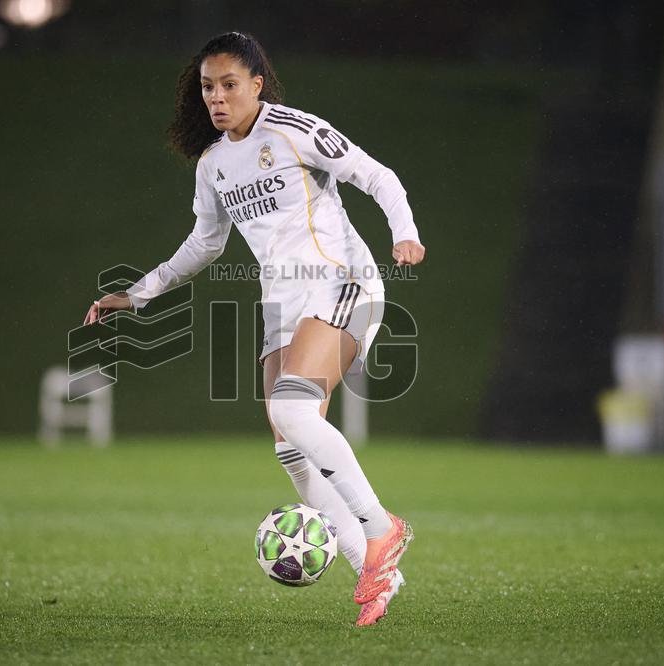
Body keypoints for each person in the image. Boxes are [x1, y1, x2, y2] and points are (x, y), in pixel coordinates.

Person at [83, 32, 426, 626]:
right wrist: (140, 293)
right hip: (283, 309)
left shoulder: (294, 131)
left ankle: (381, 528)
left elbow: (377, 175)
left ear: (257, 85)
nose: (217, 97)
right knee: (292, 451)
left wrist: (405, 231)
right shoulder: (214, 165)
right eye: (208, 87)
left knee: (295, 414)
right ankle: (374, 571)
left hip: (344, 284)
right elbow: (205, 243)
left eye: (229, 85)